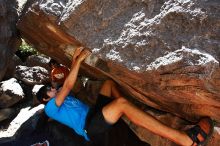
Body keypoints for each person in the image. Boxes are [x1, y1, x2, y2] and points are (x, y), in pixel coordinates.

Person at [37, 47, 214, 146]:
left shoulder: (59, 95)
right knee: (120, 104)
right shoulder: (50, 108)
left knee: (108, 84)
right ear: (46, 99)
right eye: (49, 91)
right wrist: (78, 62)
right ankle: (184, 139)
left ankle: (130, 113)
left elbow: (65, 81)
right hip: (90, 128)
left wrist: (69, 64)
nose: (52, 90)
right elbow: (67, 85)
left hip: (95, 114)